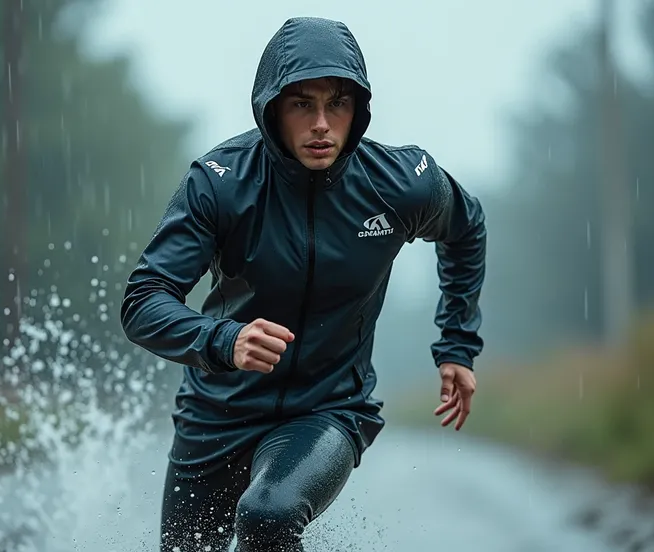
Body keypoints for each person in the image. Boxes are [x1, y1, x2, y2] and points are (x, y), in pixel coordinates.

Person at [120, 16, 486, 552]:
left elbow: (467, 226)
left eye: (336, 103)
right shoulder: (221, 184)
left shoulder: (401, 184)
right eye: (302, 104)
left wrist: (457, 343)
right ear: (273, 109)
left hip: (325, 409)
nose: (321, 123)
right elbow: (144, 301)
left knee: (269, 515)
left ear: (357, 109)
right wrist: (225, 340)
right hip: (215, 416)